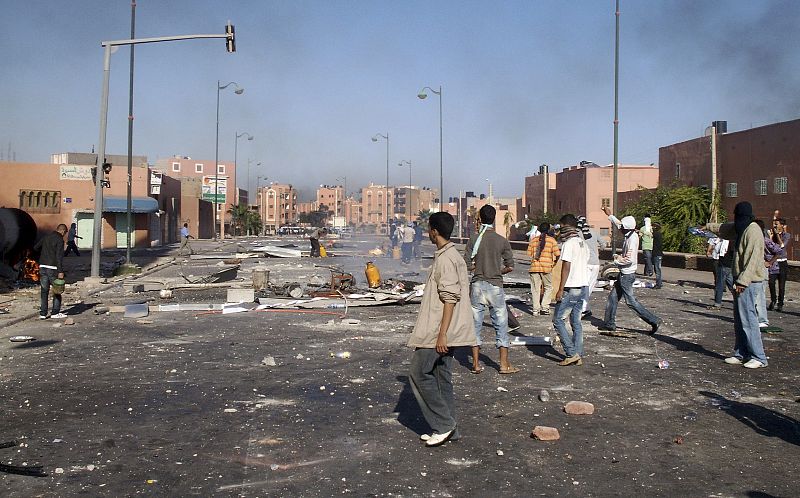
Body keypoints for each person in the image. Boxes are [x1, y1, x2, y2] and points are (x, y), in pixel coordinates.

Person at [407, 212, 474, 447]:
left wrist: (442, 334)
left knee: (418, 373)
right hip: (447, 329)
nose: (428, 232)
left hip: (438, 330)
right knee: (440, 377)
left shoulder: (446, 259)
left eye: (429, 228)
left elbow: (449, 299)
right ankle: (449, 429)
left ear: (435, 231)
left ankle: (444, 424)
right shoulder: (452, 255)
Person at [706, 201, 768, 368]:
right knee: (740, 320)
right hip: (741, 279)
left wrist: (742, 281)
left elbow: (753, 259)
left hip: (749, 281)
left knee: (748, 319)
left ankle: (759, 357)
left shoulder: (753, 230)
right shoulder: (742, 227)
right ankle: (741, 353)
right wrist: (707, 227)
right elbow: (725, 228)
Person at [465, 205, 518, 374]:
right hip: (495, 286)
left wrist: (478, 268)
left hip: (477, 285)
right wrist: (496, 270)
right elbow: (510, 266)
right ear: (494, 218)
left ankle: (475, 364)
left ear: (480, 218)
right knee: (501, 325)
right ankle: (503, 364)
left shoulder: (474, 239)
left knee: (475, 325)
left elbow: (467, 264)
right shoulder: (501, 240)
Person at [599, 206, 662, 334]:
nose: (620, 228)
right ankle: (609, 324)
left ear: (626, 228)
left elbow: (629, 259)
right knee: (612, 298)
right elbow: (618, 224)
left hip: (627, 275)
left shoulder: (632, 239)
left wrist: (616, 260)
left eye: (622, 227)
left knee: (631, 302)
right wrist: (610, 215)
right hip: (624, 274)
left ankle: (654, 320)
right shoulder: (630, 232)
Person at [552, 214, 590, 366]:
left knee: (558, 320)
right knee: (576, 321)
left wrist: (560, 289)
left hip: (572, 286)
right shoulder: (582, 242)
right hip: (583, 286)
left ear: (565, 226)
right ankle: (578, 353)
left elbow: (566, 267)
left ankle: (571, 353)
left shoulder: (569, 244)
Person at [33, 224, 68, 320]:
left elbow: (36, 248)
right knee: (57, 290)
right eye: (65, 233)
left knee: (44, 291)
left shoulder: (46, 237)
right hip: (52, 268)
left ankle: (43, 314)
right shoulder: (60, 240)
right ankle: (55, 312)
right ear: (63, 231)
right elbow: (59, 256)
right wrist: (60, 271)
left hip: (42, 267)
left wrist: (41, 257)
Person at [527, 222, 560, 316]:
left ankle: (535, 309)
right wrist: (554, 263)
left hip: (534, 267)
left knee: (535, 289)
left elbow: (529, 254)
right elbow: (557, 254)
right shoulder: (552, 240)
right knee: (548, 287)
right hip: (547, 267)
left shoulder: (533, 240)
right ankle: (545, 307)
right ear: (549, 230)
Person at [577, 216, 600, 318]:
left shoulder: (578, 234)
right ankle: (584, 308)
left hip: (585, 263)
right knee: (589, 287)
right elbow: (603, 244)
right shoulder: (594, 232)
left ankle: (583, 308)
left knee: (584, 286)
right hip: (595, 263)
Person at [768, 217, 791, 312]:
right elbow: (768, 247)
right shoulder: (771, 235)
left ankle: (780, 303)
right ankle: (773, 300)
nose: (775, 226)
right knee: (771, 282)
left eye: (776, 224)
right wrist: (770, 237)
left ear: (782, 225)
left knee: (782, 285)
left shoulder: (786, 235)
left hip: (782, 262)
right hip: (774, 262)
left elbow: (781, 246)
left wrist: (777, 234)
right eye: (774, 224)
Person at [707, 235, 732, 309]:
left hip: (725, 262)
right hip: (721, 261)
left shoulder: (728, 239)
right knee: (728, 281)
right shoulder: (718, 238)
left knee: (720, 283)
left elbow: (724, 250)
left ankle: (717, 303)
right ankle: (740, 299)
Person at [652, 222, 664, 289]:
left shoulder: (656, 234)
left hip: (657, 254)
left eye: (652, 226)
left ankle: (658, 284)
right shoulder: (658, 234)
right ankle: (659, 282)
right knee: (657, 269)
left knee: (657, 269)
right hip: (658, 254)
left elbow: (648, 234)